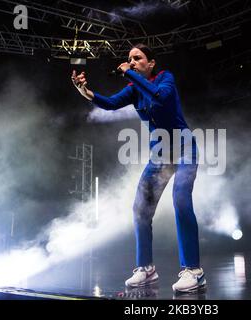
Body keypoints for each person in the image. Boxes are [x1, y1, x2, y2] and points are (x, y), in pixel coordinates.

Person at [71, 44, 205, 293]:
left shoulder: (165, 78)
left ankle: (194, 271)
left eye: (137, 58)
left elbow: (160, 97)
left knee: (181, 200)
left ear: (150, 63)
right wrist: (85, 91)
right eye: (129, 59)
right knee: (140, 208)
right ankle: (146, 269)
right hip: (160, 155)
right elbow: (110, 104)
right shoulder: (134, 89)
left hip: (185, 148)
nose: (131, 62)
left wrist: (129, 73)